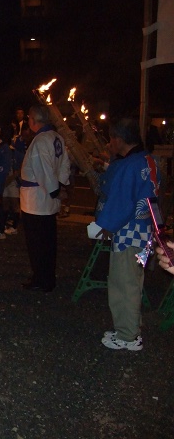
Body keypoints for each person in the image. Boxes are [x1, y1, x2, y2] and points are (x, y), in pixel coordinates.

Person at [95, 117, 160, 351]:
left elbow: (121, 203)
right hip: (145, 231)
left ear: (119, 139)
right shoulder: (148, 160)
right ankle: (131, 327)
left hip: (129, 233)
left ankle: (127, 336)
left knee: (124, 284)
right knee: (134, 282)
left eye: (112, 138)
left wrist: (104, 226)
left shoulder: (129, 166)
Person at [20, 104, 70, 293]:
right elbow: (64, 165)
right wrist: (60, 186)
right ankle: (45, 276)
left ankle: (42, 279)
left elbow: (44, 170)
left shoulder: (41, 140)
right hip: (47, 198)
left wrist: (54, 190)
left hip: (37, 201)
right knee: (48, 241)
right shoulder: (57, 137)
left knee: (38, 243)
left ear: (33, 120)